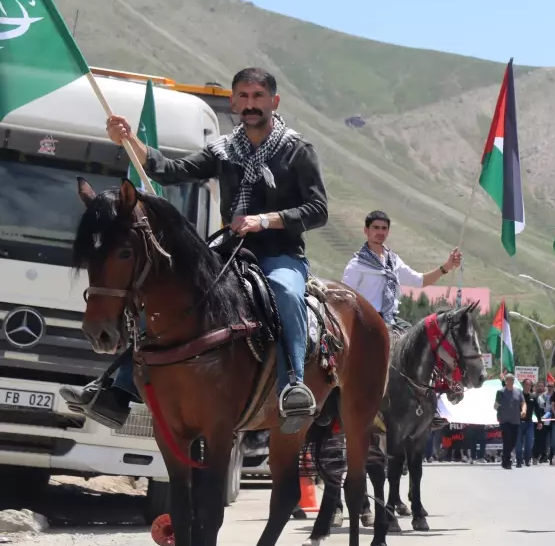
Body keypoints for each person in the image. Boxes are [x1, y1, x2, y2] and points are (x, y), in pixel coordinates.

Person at [60, 68, 328, 434]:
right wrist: (130, 142)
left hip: (280, 254)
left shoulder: (297, 151)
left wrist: (264, 221)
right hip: (229, 251)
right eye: (244, 97)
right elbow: (171, 170)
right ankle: (118, 389)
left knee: (284, 292)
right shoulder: (224, 150)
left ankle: (294, 384)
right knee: (159, 288)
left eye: (258, 97)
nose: (250, 104)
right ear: (233, 102)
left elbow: (318, 210)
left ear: (274, 102)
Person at [341, 210, 462, 325]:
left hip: (390, 320)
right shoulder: (356, 265)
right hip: (364, 321)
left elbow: (420, 281)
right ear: (366, 231)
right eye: (376, 228)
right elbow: (344, 299)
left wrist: (447, 266)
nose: (380, 232)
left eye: (384, 228)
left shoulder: (393, 262)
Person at [494, 373, 525, 469]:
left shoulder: (519, 391)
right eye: (508, 380)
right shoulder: (500, 392)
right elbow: (495, 407)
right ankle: (506, 462)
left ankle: (505, 457)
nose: (510, 381)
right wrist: (497, 405)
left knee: (513, 442)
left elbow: (523, 402)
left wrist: (524, 410)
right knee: (507, 440)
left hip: (515, 420)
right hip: (504, 420)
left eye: (512, 380)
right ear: (505, 381)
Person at [518, 378, 538, 467]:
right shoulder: (518, 395)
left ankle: (527, 459)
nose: (528, 386)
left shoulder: (533, 396)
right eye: (526, 385)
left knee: (529, 443)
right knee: (518, 443)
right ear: (523, 385)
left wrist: (540, 421)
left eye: (529, 385)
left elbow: (537, 410)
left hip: (529, 422)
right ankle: (519, 460)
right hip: (518, 423)